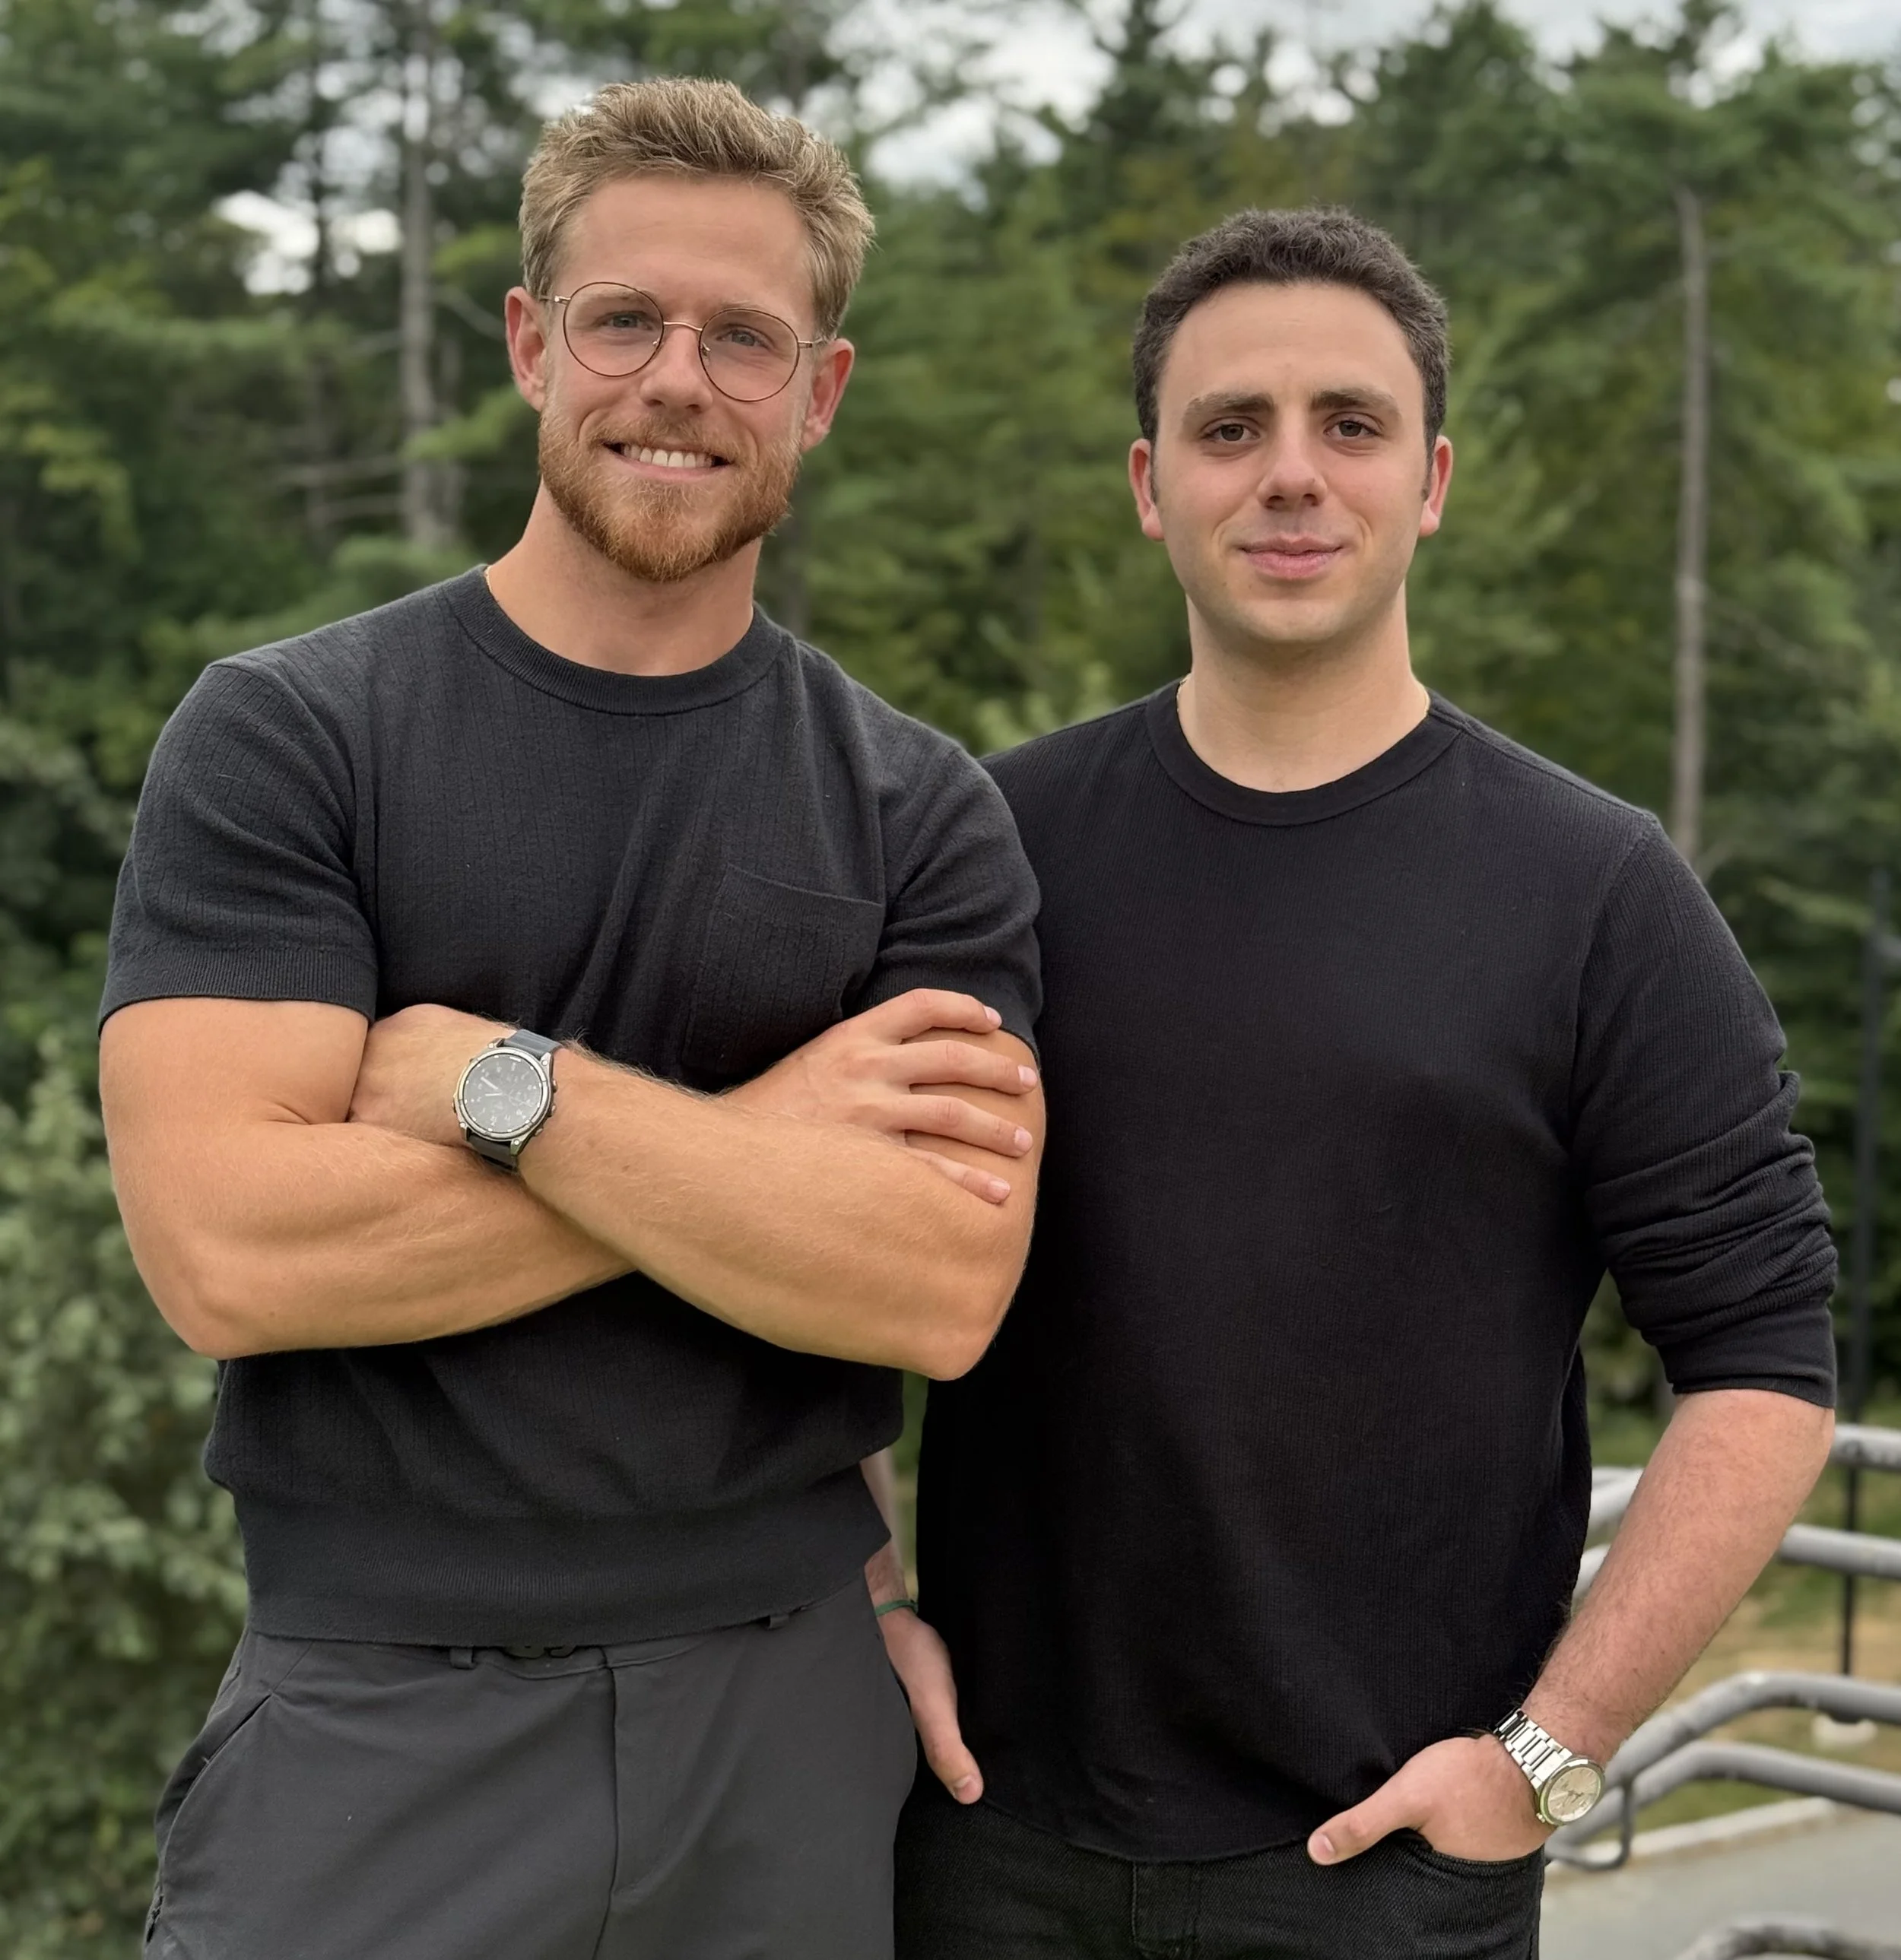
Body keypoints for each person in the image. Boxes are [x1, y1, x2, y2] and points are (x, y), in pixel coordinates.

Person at [100, 77, 1044, 1960]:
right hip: (376, 1716)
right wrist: (769, 1147)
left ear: (818, 388)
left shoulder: (914, 806)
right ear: (534, 344)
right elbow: (230, 1250)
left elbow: (933, 1287)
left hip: (784, 1715)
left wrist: (494, 1085)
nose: (677, 378)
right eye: (626, 319)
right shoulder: (294, 737)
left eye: (743, 337)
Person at [892, 207, 1838, 1960]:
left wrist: (1541, 1758)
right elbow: (802, 1253)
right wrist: (862, 1593)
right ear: (1143, 481)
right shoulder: (984, 853)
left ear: (1431, 480)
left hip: (1382, 1867)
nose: (1287, 477)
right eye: (1227, 427)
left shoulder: (1593, 892)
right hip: (981, 1840)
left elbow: (1765, 1364)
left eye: (1349, 423)